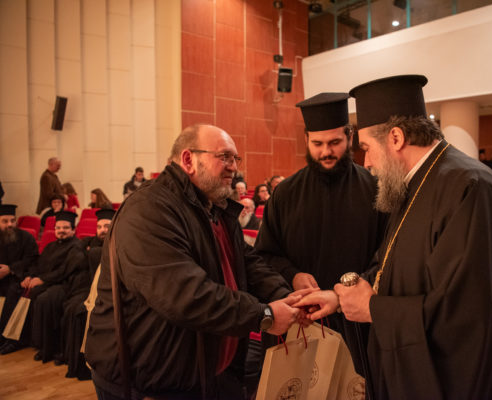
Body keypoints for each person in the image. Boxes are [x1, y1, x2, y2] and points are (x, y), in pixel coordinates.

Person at [295, 75, 492, 399]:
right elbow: (391, 268)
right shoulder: (415, 184)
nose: (367, 162)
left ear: (396, 137)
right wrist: (340, 298)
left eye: (367, 148)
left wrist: (374, 309)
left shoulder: (471, 189)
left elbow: (469, 316)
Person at [85, 124, 302, 399]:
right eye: (224, 157)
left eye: (235, 159)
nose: (234, 167)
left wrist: (286, 296)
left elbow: (245, 262)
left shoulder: (213, 204)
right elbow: (185, 294)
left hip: (205, 372)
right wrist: (264, 316)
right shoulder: (149, 208)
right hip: (148, 379)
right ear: (188, 159)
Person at [255, 93, 387, 382]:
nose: (326, 151)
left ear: (349, 137)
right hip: (299, 323)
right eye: (317, 144)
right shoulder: (285, 193)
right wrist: (292, 276)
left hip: (358, 326)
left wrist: (343, 295)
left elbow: (388, 258)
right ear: (306, 140)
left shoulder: (377, 190)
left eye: (334, 142)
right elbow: (264, 256)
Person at [0, 211, 85, 356]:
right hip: (44, 279)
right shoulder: (51, 246)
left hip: (61, 283)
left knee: (35, 296)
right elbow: (38, 264)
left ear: (73, 230)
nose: (61, 231)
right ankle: (7, 335)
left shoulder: (76, 247)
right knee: (16, 289)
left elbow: (64, 271)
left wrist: (42, 279)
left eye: (65, 228)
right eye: (58, 228)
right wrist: (30, 276)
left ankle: (21, 339)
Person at [62, 208, 115, 380]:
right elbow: (75, 251)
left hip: (104, 292)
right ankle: (69, 359)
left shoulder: (115, 243)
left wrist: (91, 252)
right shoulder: (88, 241)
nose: (102, 230)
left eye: (107, 226)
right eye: (99, 227)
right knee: (71, 308)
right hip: (86, 288)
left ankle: (84, 367)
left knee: (80, 312)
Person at [0, 204, 38, 351]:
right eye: (5, 221)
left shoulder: (26, 238)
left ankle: (10, 339)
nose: (10, 224)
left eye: (12, 220)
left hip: (18, 277)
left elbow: (32, 259)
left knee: (13, 291)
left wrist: (10, 269)